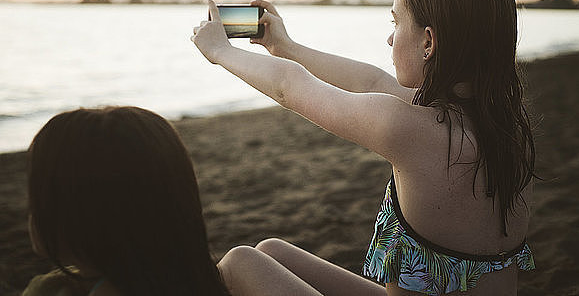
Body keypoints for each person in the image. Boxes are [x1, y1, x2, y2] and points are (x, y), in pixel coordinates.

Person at [190, 0, 537, 296]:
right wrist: (286, 48)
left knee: (239, 264)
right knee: (270, 252)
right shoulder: (504, 129)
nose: (390, 38)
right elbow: (372, 82)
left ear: (428, 41)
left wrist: (221, 52)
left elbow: (288, 88)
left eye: (395, 23)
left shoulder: (408, 127)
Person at [24, 106, 342, 296]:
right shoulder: (220, 277)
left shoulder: (51, 289)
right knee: (261, 253)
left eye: (36, 198)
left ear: (74, 216)